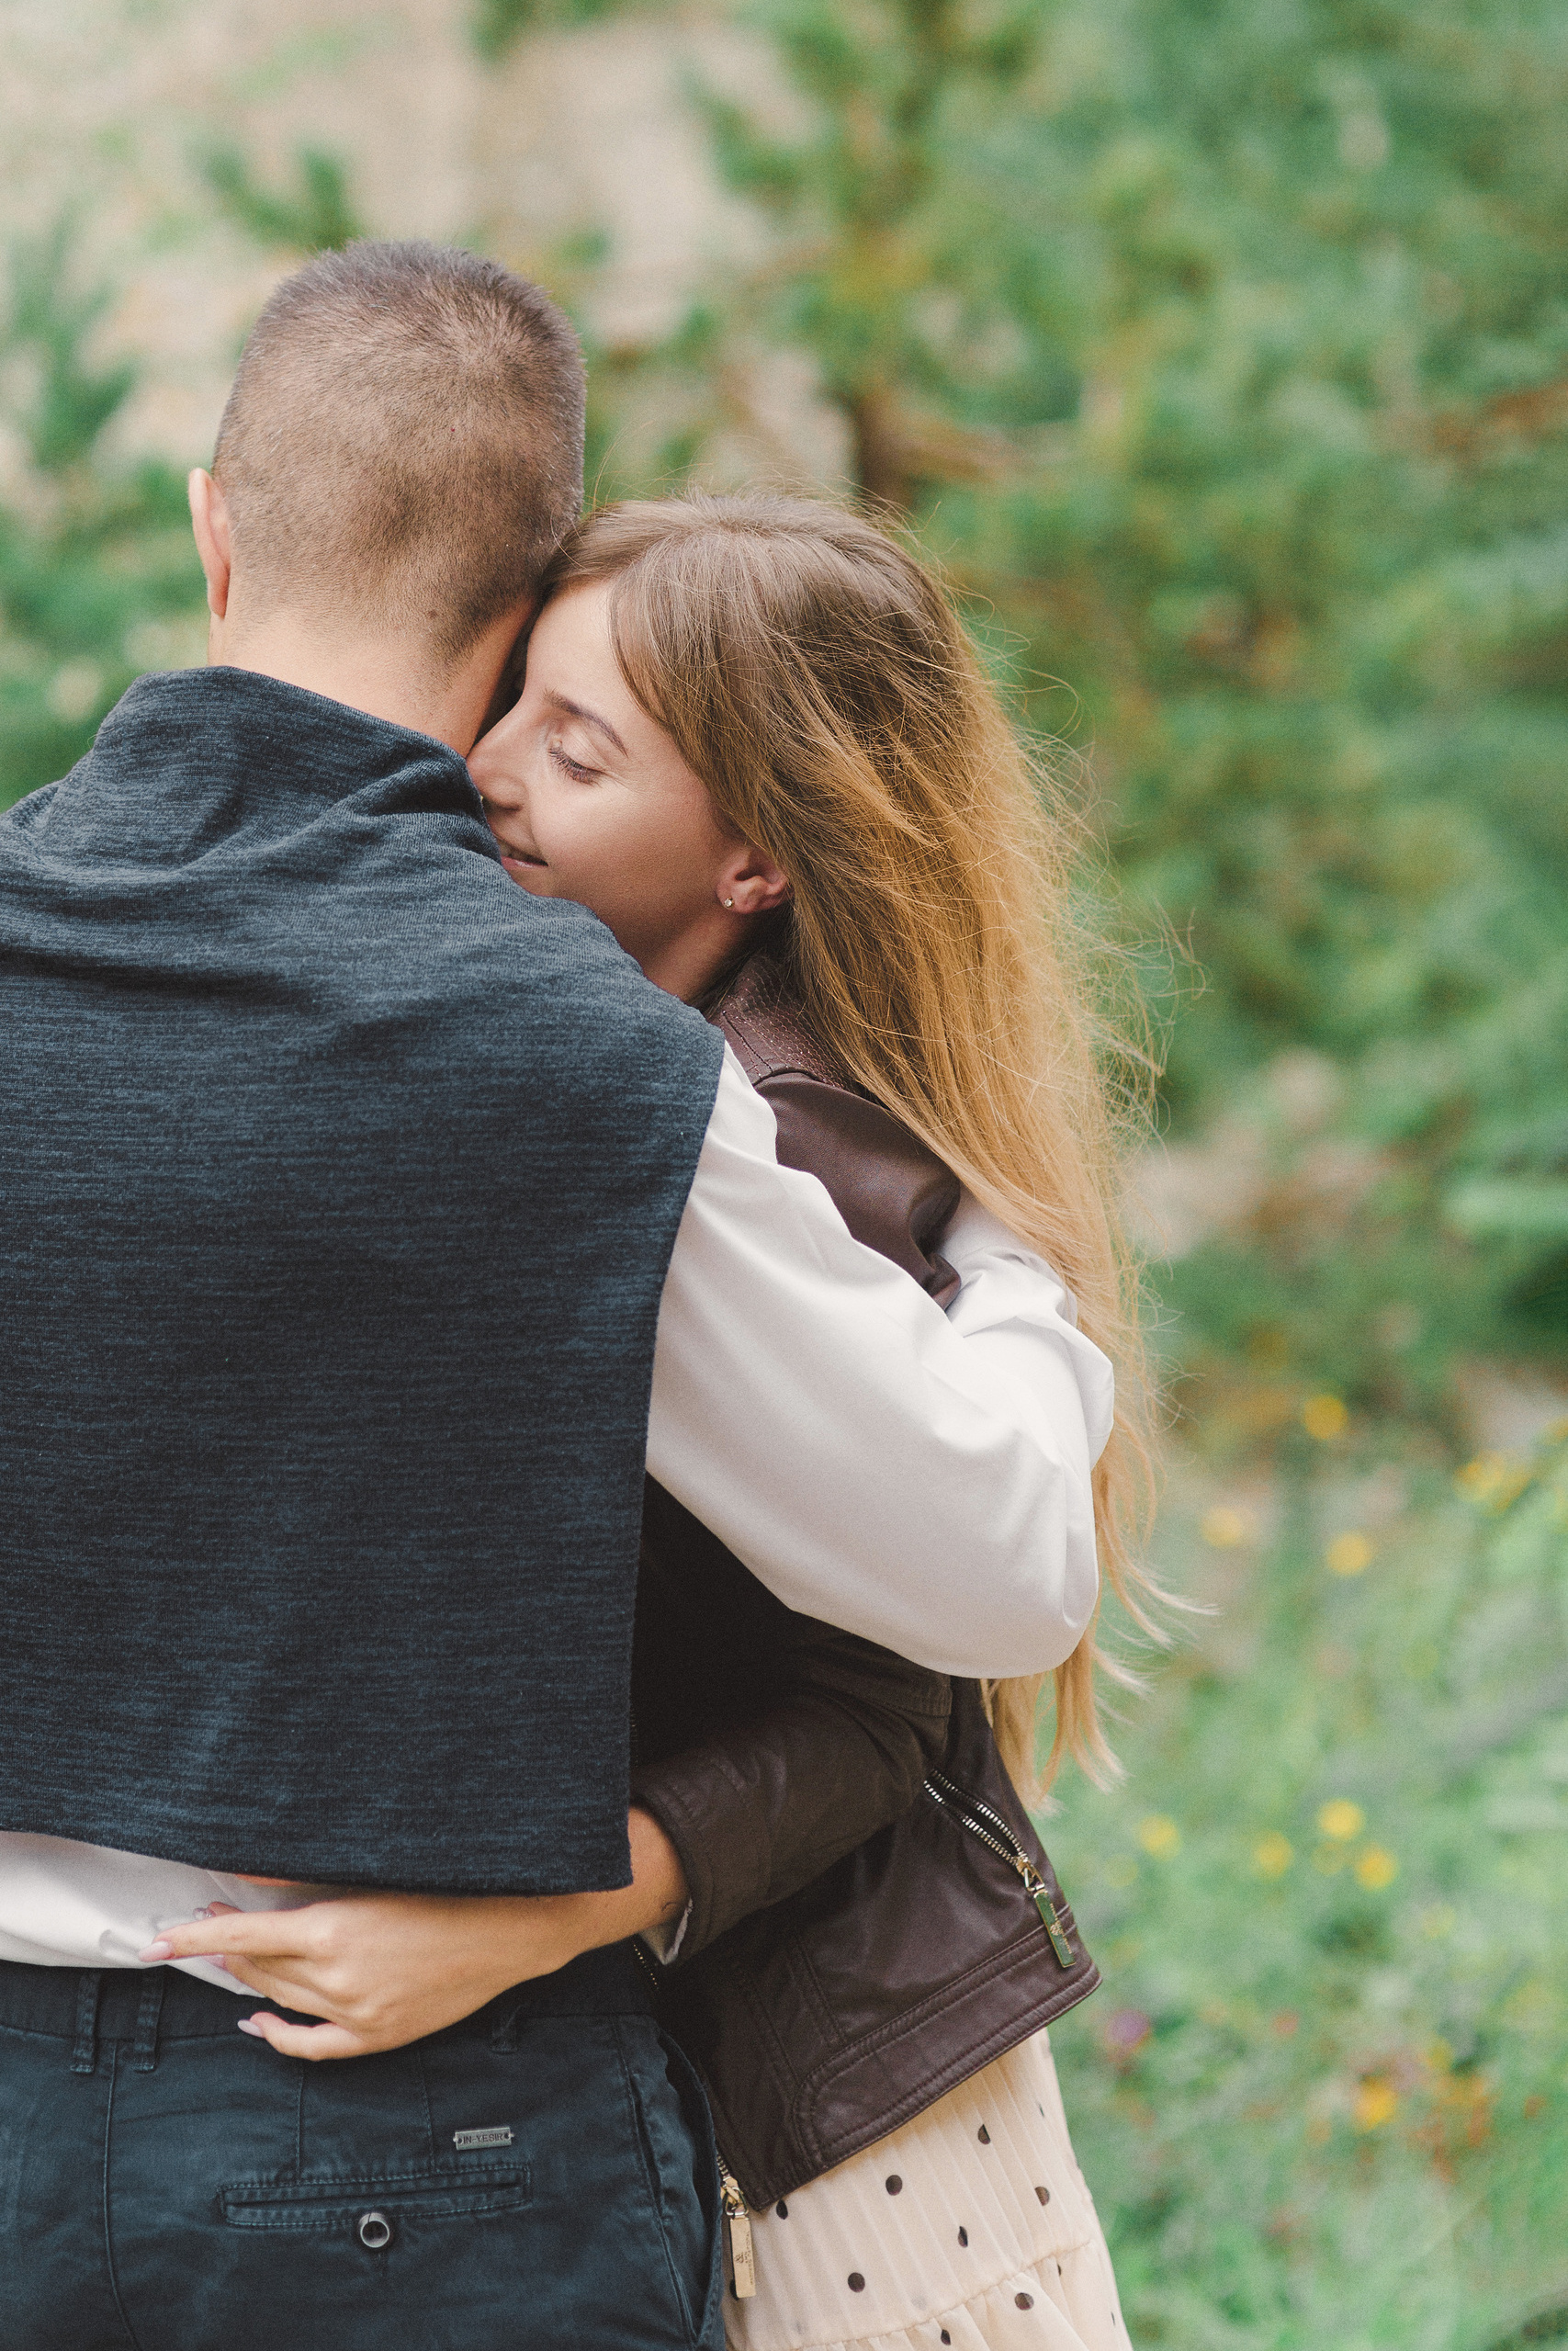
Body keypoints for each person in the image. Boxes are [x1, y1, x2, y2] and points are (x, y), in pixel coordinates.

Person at [0, 249, 1107, 2351]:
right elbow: (998, 1571)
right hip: (405, 2161)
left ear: (214, 524)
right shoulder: (579, 1055)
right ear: (514, 606)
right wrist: (1006, 1257)